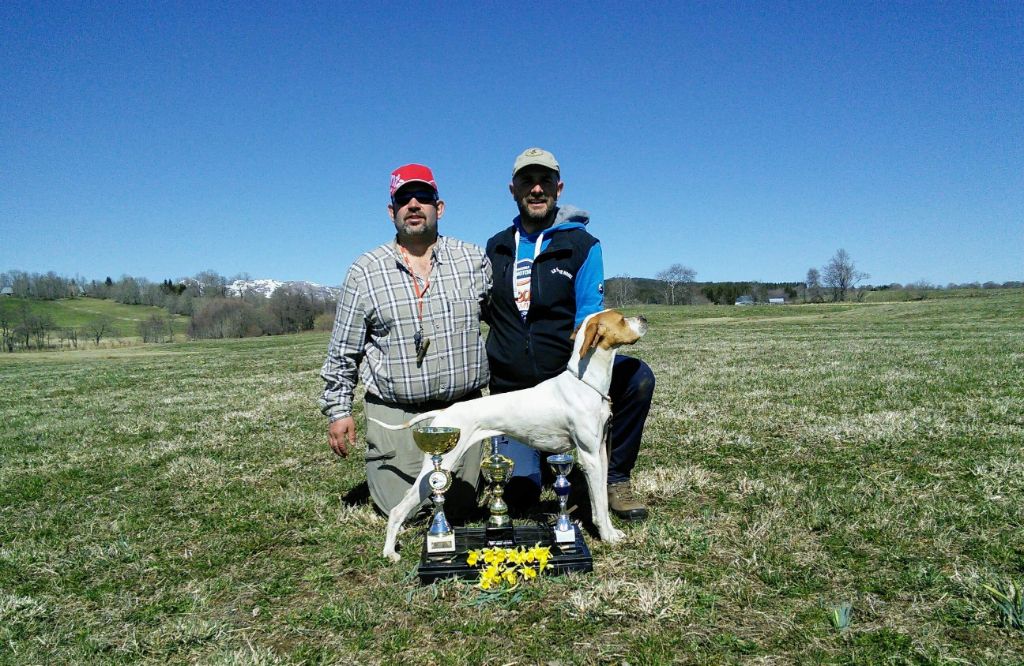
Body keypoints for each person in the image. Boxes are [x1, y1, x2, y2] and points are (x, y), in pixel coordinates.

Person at [483, 147, 655, 521]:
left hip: (562, 379)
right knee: (519, 497)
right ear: (512, 189)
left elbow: (589, 321)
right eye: (527, 181)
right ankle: (534, 461)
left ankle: (615, 478)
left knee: (638, 378)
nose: (536, 189)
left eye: (545, 181)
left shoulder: (582, 246)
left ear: (558, 188)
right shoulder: (495, 247)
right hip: (512, 386)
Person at [319, 163, 491, 515]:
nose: (413, 205)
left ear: (438, 208)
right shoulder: (364, 271)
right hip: (395, 412)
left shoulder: (474, 260)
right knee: (404, 512)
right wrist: (339, 411)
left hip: (461, 409)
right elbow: (342, 353)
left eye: (423, 197)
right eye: (403, 199)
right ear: (391, 211)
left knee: (458, 510)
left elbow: (504, 323)